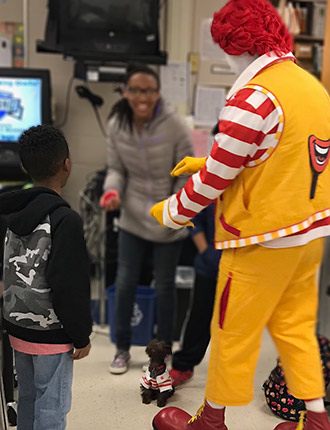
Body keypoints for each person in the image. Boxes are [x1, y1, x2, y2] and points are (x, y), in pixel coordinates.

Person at [150, 1, 330, 429]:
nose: (225, 58)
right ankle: (319, 421)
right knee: (296, 330)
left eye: (225, 47)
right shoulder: (312, 88)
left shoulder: (254, 96)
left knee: (232, 333)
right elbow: (279, 158)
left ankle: (211, 421)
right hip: (308, 238)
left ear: (237, 44)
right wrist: (210, 162)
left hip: (259, 242)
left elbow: (214, 180)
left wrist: (173, 212)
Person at [100, 64, 193, 375]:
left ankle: (162, 351)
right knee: (125, 283)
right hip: (133, 218)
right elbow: (116, 169)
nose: (143, 97)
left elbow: (186, 173)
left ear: (158, 93)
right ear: (125, 92)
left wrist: (175, 209)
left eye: (150, 90)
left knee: (165, 286)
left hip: (168, 218)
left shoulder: (175, 126)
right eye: (136, 90)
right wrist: (112, 192)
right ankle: (122, 349)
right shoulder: (116, 124)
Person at [0, 125, 92, 430]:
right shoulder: (65, 220)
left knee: (26, 396)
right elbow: (69, 284)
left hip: (16, 327)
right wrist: (80, 334)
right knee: (52, 405)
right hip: (52, 335)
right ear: (67, 164)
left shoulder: (9, 212)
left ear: (24, 167)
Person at [170, 125, 222, 388]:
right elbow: (195, 220)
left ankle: (227, 374)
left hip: (244, 267)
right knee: (200, 317)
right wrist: (207, 253)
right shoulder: (206, 178)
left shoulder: (251, 178)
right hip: (210, 265)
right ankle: (183, 366)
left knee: (234, 325)